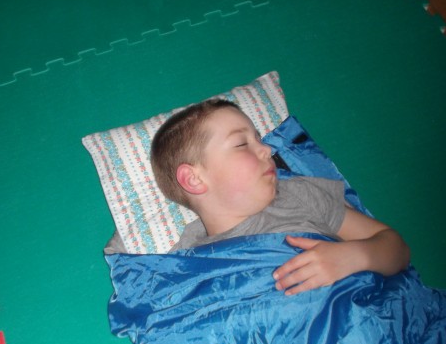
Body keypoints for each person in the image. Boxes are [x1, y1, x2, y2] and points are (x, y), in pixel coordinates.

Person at [151, 99, 410, 295]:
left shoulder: (297, 195)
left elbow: (396, 248)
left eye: (258, 139)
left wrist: (353, 256)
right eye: (242, 144)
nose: (267, 148)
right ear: (194, 179)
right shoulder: (187, 259)